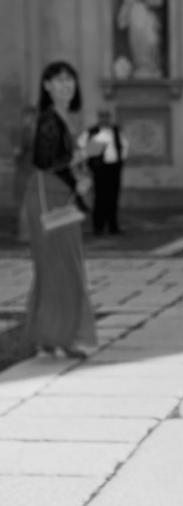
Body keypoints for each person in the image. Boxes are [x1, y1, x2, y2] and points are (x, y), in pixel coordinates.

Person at [25, 61, 99, 360]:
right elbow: (44, 160)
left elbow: (60, 161)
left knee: (54, 269)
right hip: (49, 198)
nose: (66, 85)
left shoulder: (62, 118)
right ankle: (66, 337)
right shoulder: (49, 120)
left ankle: (48, 336)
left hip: (59, 195)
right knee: (64, 268)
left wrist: (79, 180)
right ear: (46, 86)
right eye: (58, 80)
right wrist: (83, 153)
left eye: (70, 79)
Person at [78, 108, 129, 235]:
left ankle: (113, 226)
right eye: (102, 116)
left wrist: (121, 160)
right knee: (100, 198)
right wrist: (88, 163)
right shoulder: (92, 131)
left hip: (114, 168)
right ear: (99, 118)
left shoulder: (116, 130)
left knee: (113, 197)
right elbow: (83, 147)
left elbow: (125, 146)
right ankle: (98, 227)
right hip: (99, 169)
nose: (104, 119)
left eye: (107, 116)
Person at [10, 105, 37, 241]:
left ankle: (30, 233)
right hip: (26, 170)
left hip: (32, 170)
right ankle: (26, 234)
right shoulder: (23, 132)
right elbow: (18, 153)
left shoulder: (32, 132)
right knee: (26, 203)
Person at [117, 0, 163, 78]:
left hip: (149, 18)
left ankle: (151, 68)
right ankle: (141, 67)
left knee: (152, 42)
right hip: (135, 16)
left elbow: (158, 2)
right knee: (138, 44)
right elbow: (122, 22)